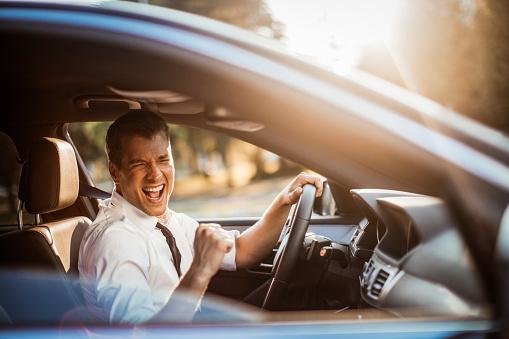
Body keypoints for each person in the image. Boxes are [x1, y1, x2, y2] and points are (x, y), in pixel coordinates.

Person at [78, 111, 324, 324]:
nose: (155, 175)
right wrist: (201, 269)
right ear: (115, 172)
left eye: (163, 160)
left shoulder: (167, 221)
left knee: (302, 293)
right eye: (139, 164)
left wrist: (284, 201)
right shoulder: (115, 241)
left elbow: (241, 250)